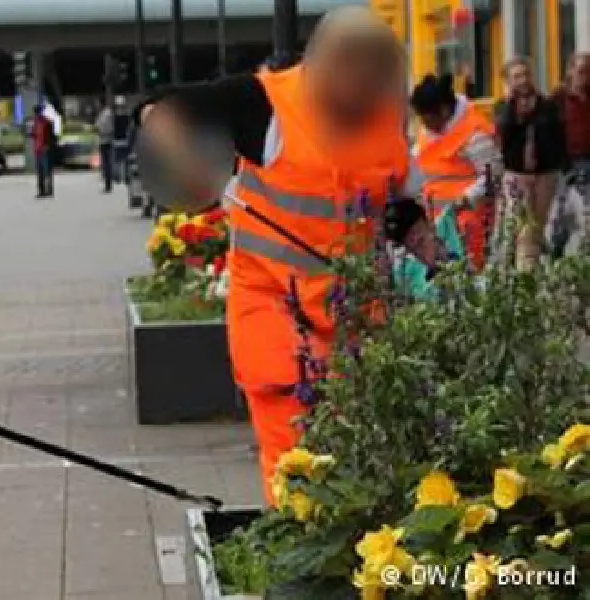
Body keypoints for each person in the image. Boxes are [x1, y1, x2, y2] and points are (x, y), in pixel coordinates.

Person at [136, 6, 438, 501]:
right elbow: (159, 110)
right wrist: (186, 165)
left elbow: (398, 208)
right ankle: (301, 552)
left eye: (376, 79)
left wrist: (434, 254)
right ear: (327, 65)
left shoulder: (386, 116)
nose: (364, 92)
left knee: (366, 454)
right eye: (355, 76)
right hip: (276, 313)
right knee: (295, 460)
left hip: (358, 321)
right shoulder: (263, 102)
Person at [409, 73, 502, 269]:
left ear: (442, 111)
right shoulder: (429, 132)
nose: (423, 125)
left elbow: (491, 177)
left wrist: (465, 200)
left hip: (469, 222)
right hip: (435, 222)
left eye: (426, 119)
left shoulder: (474, 132)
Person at [495, 57, 567, 269]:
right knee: (522, 227)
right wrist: (512, 107)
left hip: (545, 174)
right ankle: (524, 271)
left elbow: (557, 135)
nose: (523, 80)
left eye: (526, 74)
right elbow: (502, 135)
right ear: (509, 81)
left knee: (538, 226)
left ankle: (529, 269)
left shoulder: (547, 105)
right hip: (517, 175)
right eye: (517, 76)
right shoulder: (504, 108)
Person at [554, 53, 590, 214]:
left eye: (589, 71)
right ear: (570, 71)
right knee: (565, 211)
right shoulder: (559, 98)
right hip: (568, 161)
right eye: (581, 71)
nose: (586, 76)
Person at [32, 104, 55, 198]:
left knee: (47, 171)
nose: (37, 114)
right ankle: (41, 191)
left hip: (45, 149)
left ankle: (49, 190)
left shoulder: (47, 122)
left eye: (38, 112)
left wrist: (48, 146)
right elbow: (33, 135)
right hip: (38, 150)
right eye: (36, 112)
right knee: (40, 172)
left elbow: (51, 136)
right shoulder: (35, 123)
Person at [96, 104, 115, 192]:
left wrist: (100, 131)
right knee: (107, 163)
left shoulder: (104, 114)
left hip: (104, 141)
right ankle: (108, 184)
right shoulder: (107, 113)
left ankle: (108, 184)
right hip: (107, 140)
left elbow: (99, 127)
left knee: (106, 163)